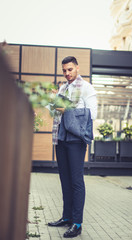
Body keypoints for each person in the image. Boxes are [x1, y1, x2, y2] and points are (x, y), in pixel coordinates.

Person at [48, 56, 97, 238]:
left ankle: (77, 224)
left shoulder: (86, 88)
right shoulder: (63, 88)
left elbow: (92, 114)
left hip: (76, 141)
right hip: (61, 139)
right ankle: (67, 217)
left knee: (76, 182)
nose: (67, 73)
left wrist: (66, 109)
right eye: (64, 71)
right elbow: (55, 111)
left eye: (70, 69)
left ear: (77, 67)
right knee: (65, 180)